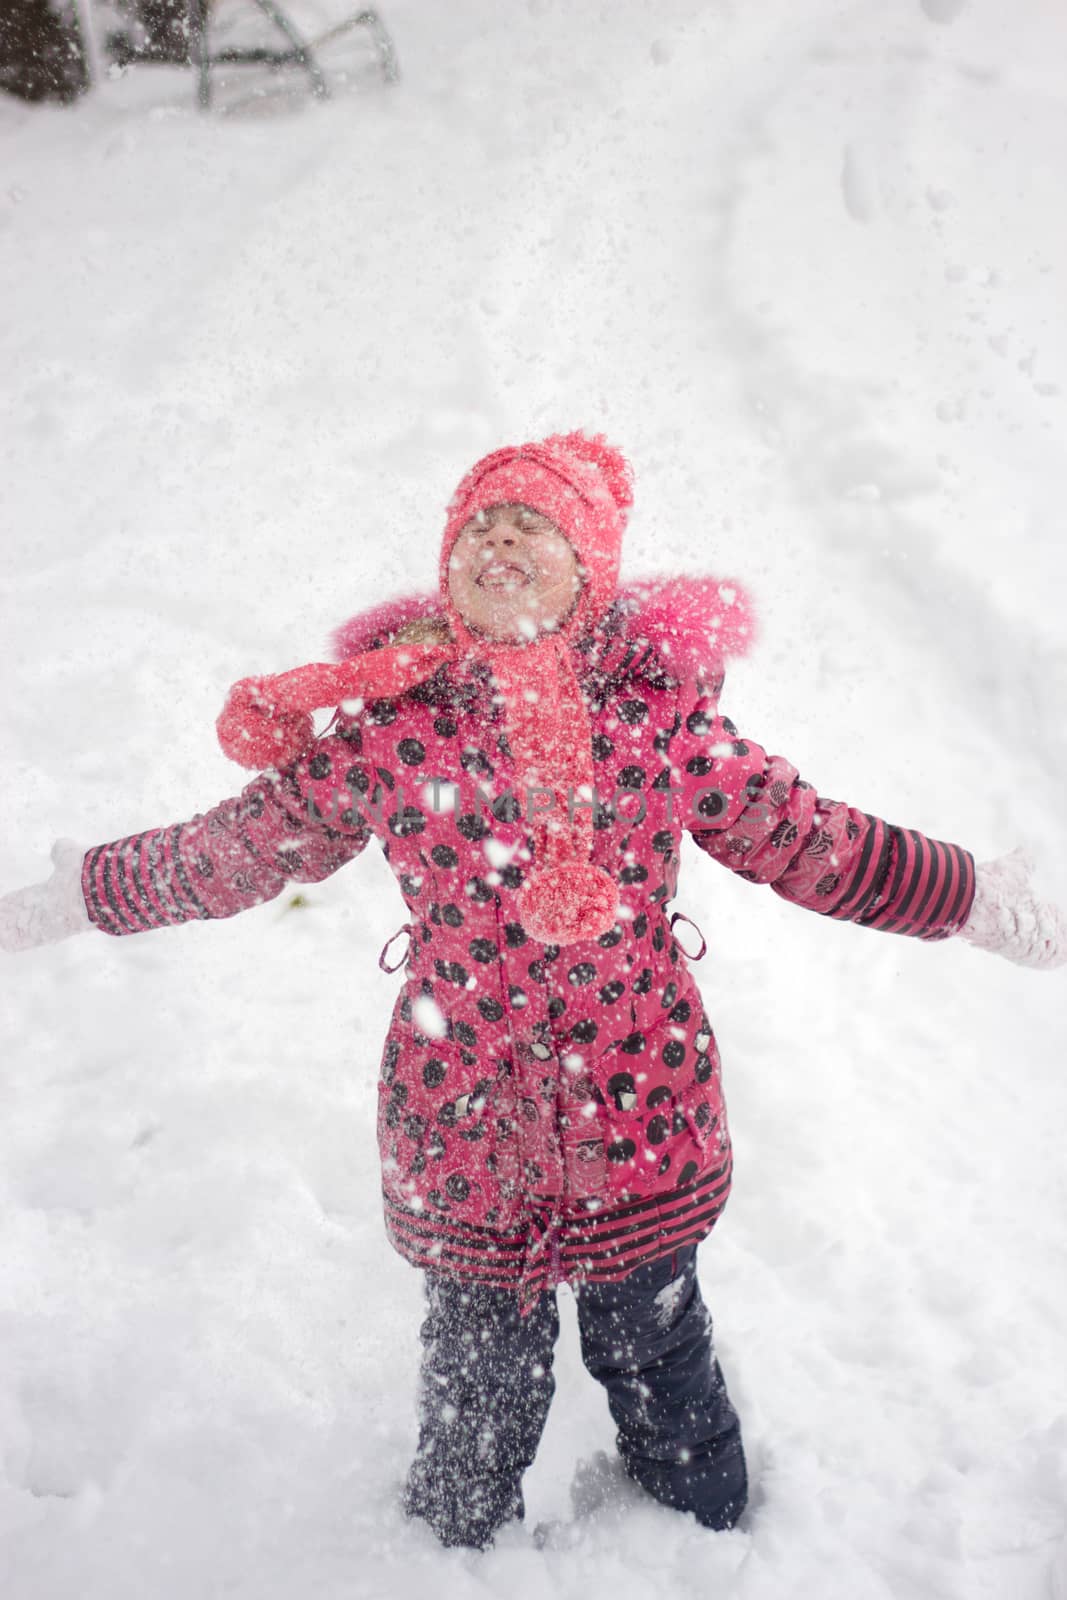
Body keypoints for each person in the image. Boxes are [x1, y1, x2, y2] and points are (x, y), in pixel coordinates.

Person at [2, 431, 1063, 1550]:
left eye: (534, 527)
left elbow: (814, 842)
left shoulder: (660, 726)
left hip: (636, 1107)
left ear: (593, 573)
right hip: (463, 1119)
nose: (499, 539)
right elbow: (240, 846)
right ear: (448, 575)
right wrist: (80, 893)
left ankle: (705, 1536)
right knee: (475, 1372)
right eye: (477, 530)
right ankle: (449, 1550)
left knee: (656, 1347)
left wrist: (972, 898)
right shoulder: (397, 733)